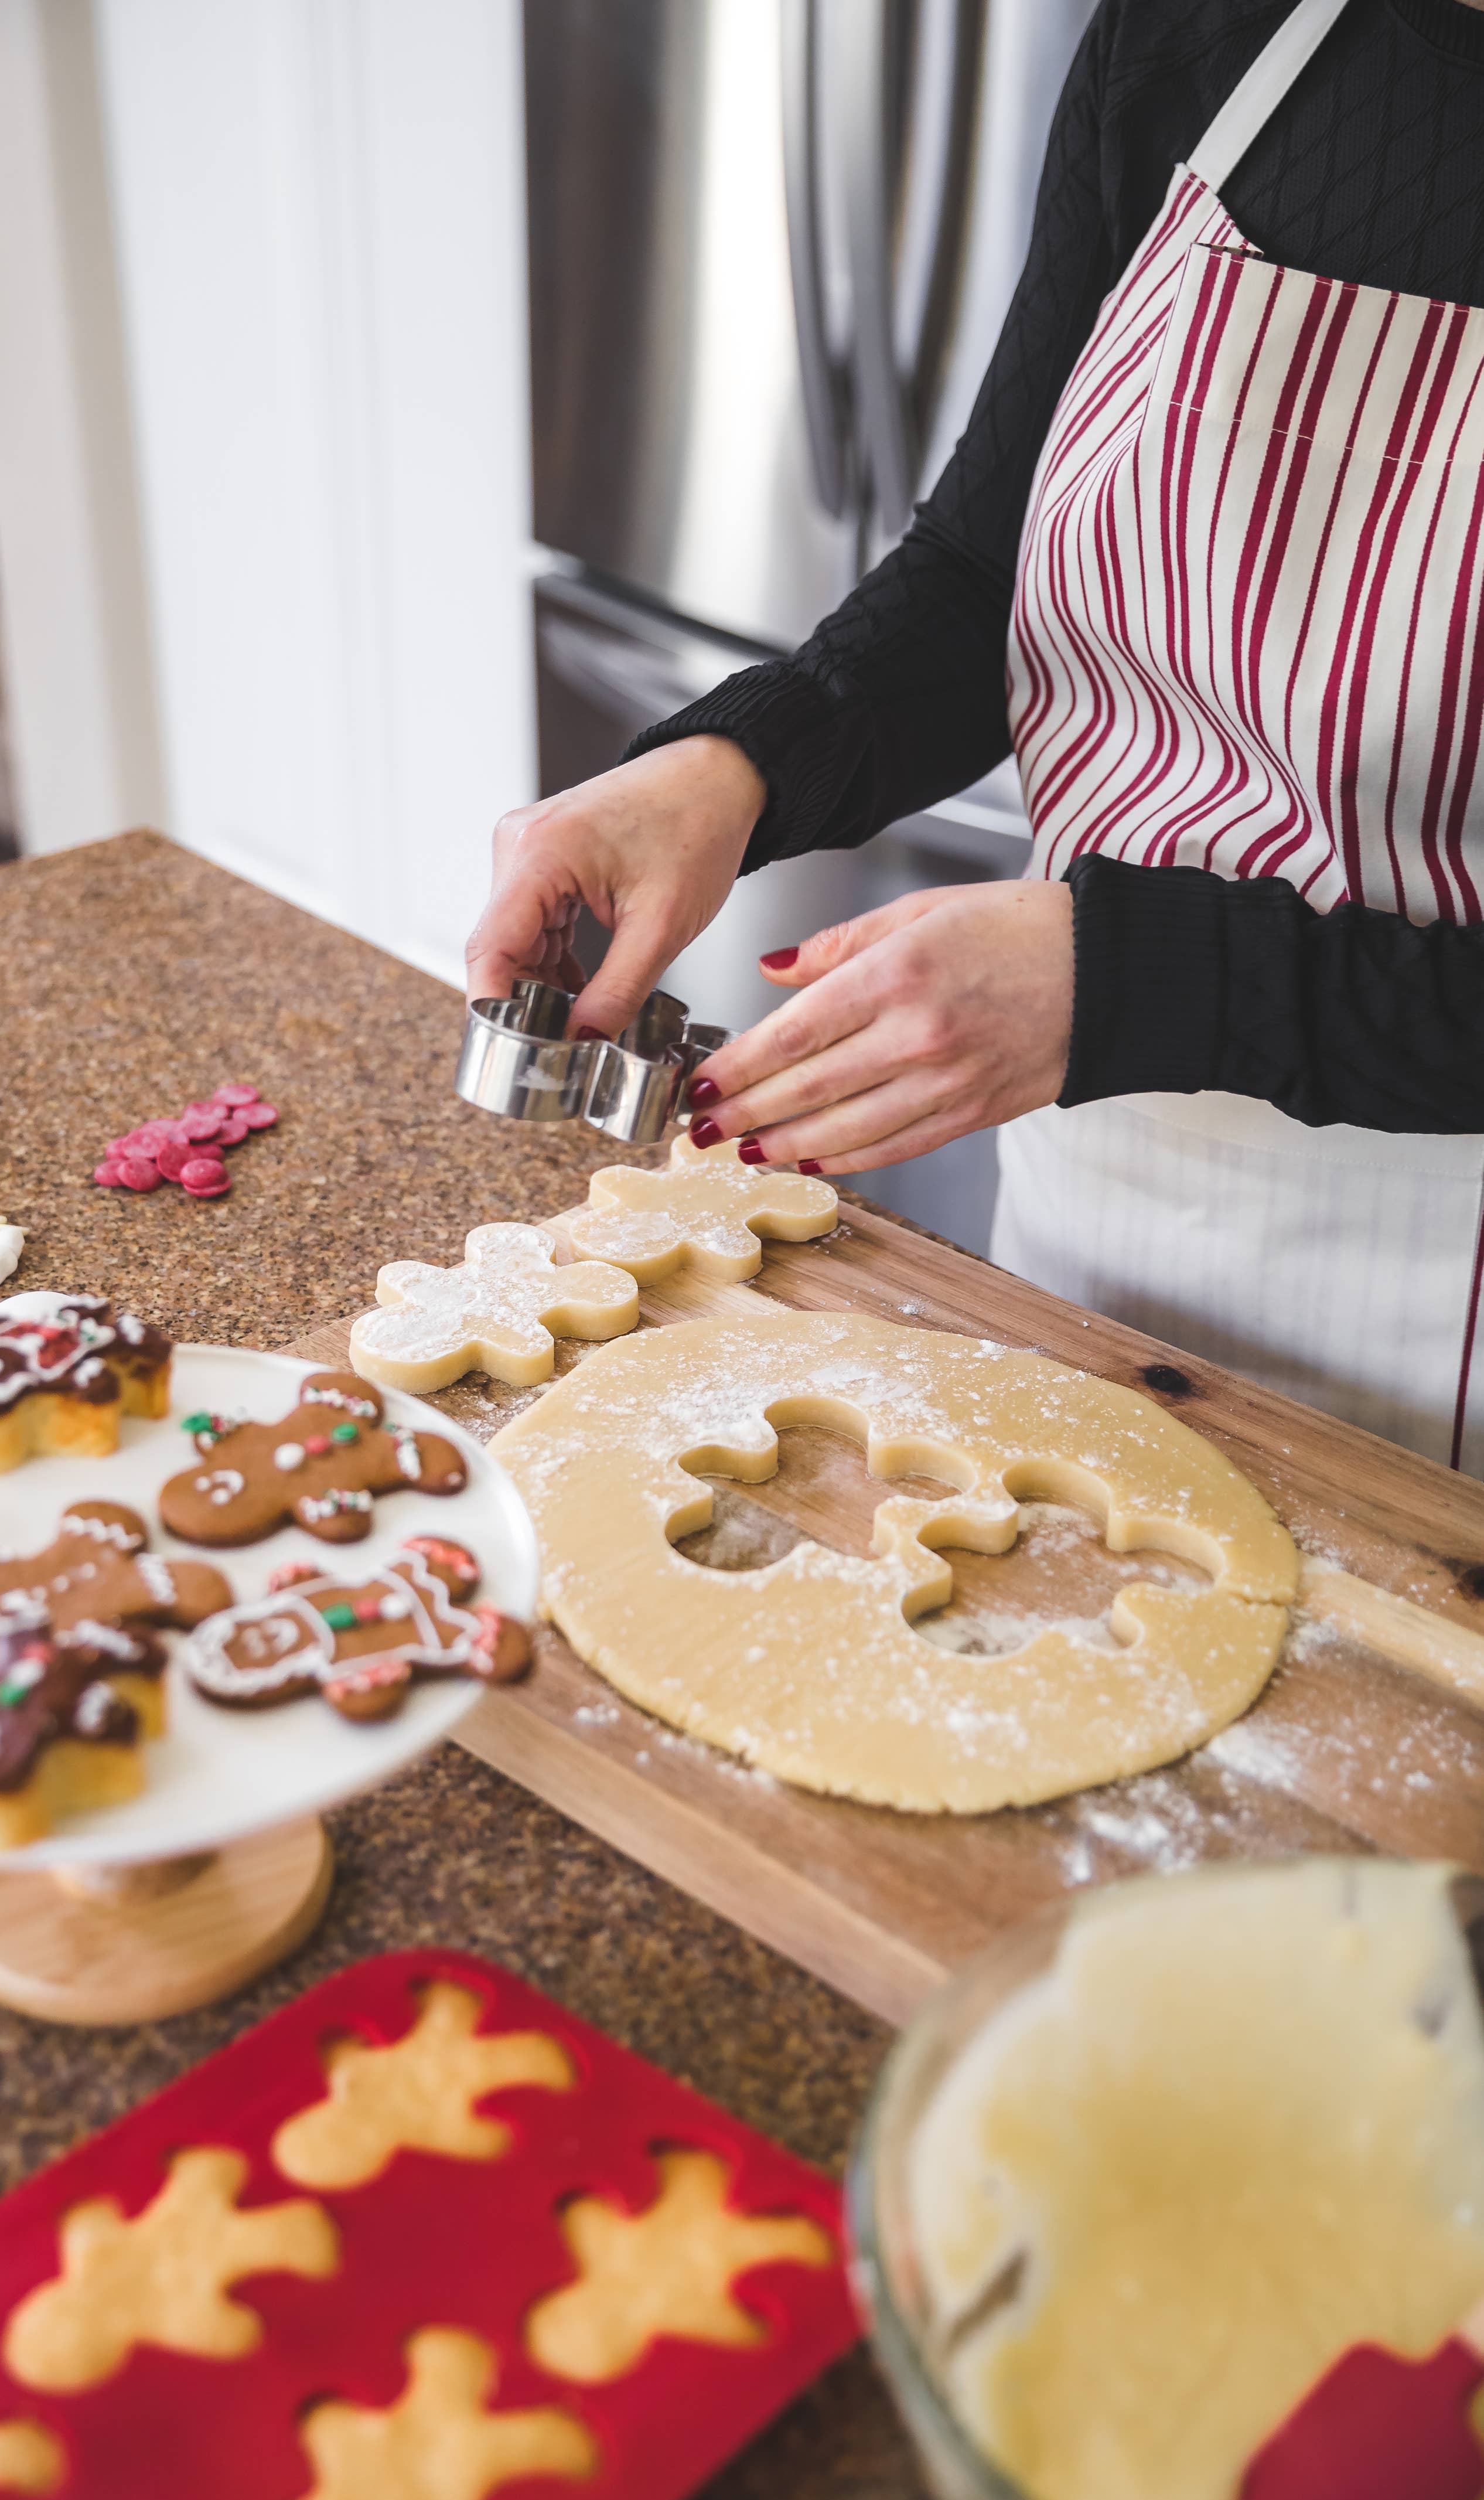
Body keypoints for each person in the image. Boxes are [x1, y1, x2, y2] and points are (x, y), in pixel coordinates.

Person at [467, 0, 1484, 1474]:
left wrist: (1118, 982)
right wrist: (729, 767)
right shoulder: (1211, 34)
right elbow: (981, 570)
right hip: (1100, 1222)